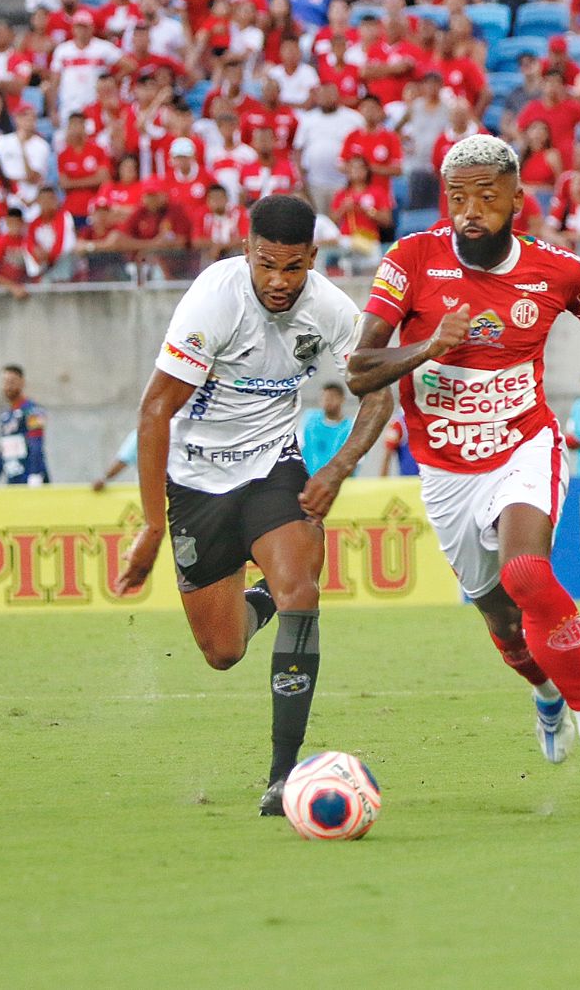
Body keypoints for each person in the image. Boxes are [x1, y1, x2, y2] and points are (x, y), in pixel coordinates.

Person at [346, 134, 580, 790]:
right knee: (503, 624)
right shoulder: (411, 260)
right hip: (444, 469)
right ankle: (546, 693)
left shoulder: (558, 271)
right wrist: (431, 345)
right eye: (458, 197)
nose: (471, 211)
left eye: (488, 197)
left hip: (524, 446)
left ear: (518, 199)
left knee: (526, 572)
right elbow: (359, 371)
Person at [114, 196, 393, 816]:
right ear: (247, 250)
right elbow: (155, 409)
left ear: (312, 261)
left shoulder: (329, 310)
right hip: (195, 484)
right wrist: (152, 526)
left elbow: (378, 397)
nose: (278, 281)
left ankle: (282, 774)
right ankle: (262, 595)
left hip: (272, 467)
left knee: (302, 591)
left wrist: (337, 468)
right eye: (266, 264)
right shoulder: (216, 300)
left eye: (292, 268)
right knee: (223, 652)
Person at [0, 364, 49, 486]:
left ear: (22, 382)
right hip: (13, 476)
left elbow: (36, 445)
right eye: (5, 382)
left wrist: (35, 474)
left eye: (12, 382)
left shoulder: (34, 411)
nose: (8, 387)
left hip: (32, 478)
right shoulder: (5, 415)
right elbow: (4, 448)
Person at [299, 382, 354, 475]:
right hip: (309, 482)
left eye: (332, 397)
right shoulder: (309, 419)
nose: (327, 400)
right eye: (324, 397)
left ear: (342, 399)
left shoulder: (350, 427)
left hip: (338, 484)